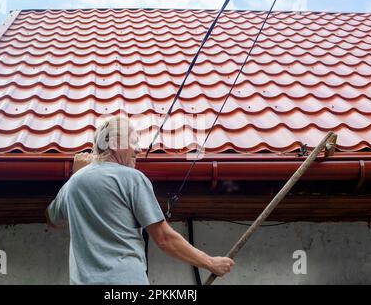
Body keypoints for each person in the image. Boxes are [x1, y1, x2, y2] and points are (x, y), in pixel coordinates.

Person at [45, 116, 234, 284]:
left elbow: (52, 219)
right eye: (134, 142)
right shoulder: (133, 178)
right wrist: (211, 263)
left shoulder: (73, 183)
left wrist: (75, 177)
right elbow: (164, 238)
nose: (139, 149)